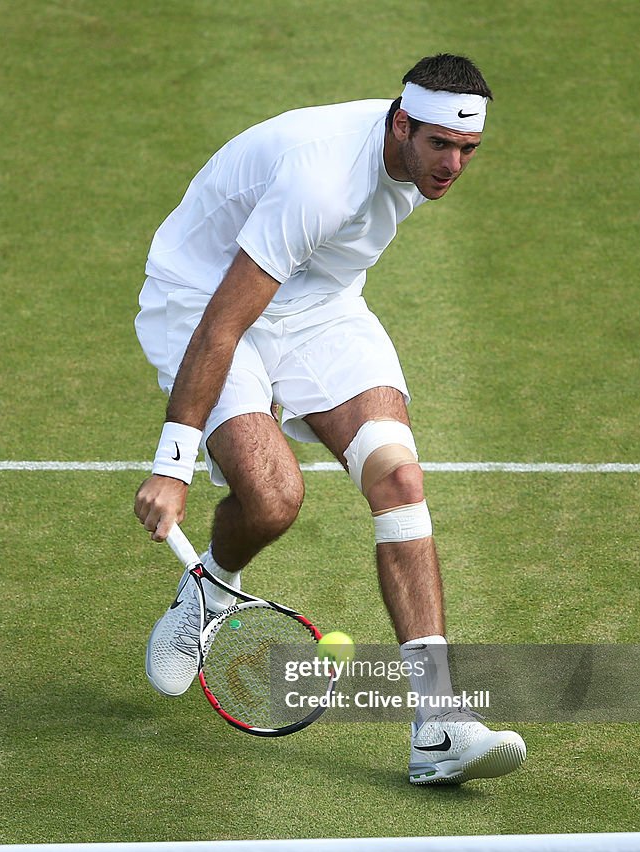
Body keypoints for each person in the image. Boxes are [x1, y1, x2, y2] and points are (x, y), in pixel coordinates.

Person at [134, 52, 527, 785]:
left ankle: (437, 725)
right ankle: (212, 587)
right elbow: (223, 323)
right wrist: (172, 465)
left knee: (401, 479)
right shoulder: (321, 179)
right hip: (204, 297)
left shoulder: (414, 167)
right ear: (401, 122)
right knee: (274, 498)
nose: (452, 165)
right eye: (439, 145)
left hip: (319, 303)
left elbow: (315, 275)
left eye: (467, 150)